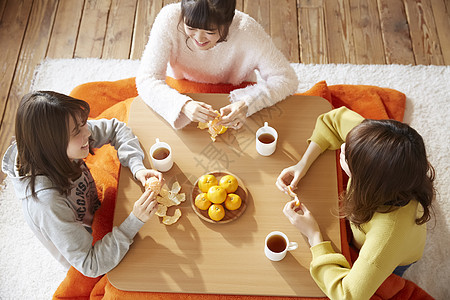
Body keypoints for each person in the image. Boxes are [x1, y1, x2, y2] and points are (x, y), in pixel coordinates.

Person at [276, 107, 435, 299]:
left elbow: (348, 295)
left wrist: (313, 235)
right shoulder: (374, 144)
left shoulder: (388, 235)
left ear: (365, 180)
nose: (342, 148)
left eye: (347, 155)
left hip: (391, 257)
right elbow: (332, 120)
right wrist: (302, 163)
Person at [1, 91, 163, 278]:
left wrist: (137, 167)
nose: (88, 132)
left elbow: (116, 128)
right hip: (87, 254)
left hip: (95, 211)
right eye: (77, 131)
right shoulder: (46, 205)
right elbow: (90, 264)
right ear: (53, 145)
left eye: (82, 124)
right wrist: (134, 221)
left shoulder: (58, 143)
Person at [136, 0, 298, 130]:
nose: (199, 38)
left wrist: (248, 103)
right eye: (191, 27)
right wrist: (182, 105)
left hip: (234, 93)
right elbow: (147, 78)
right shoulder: (169, 19)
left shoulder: (248, 30)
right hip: (183, 89)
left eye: (210, 32)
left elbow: (286, 79)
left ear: (228, 22)